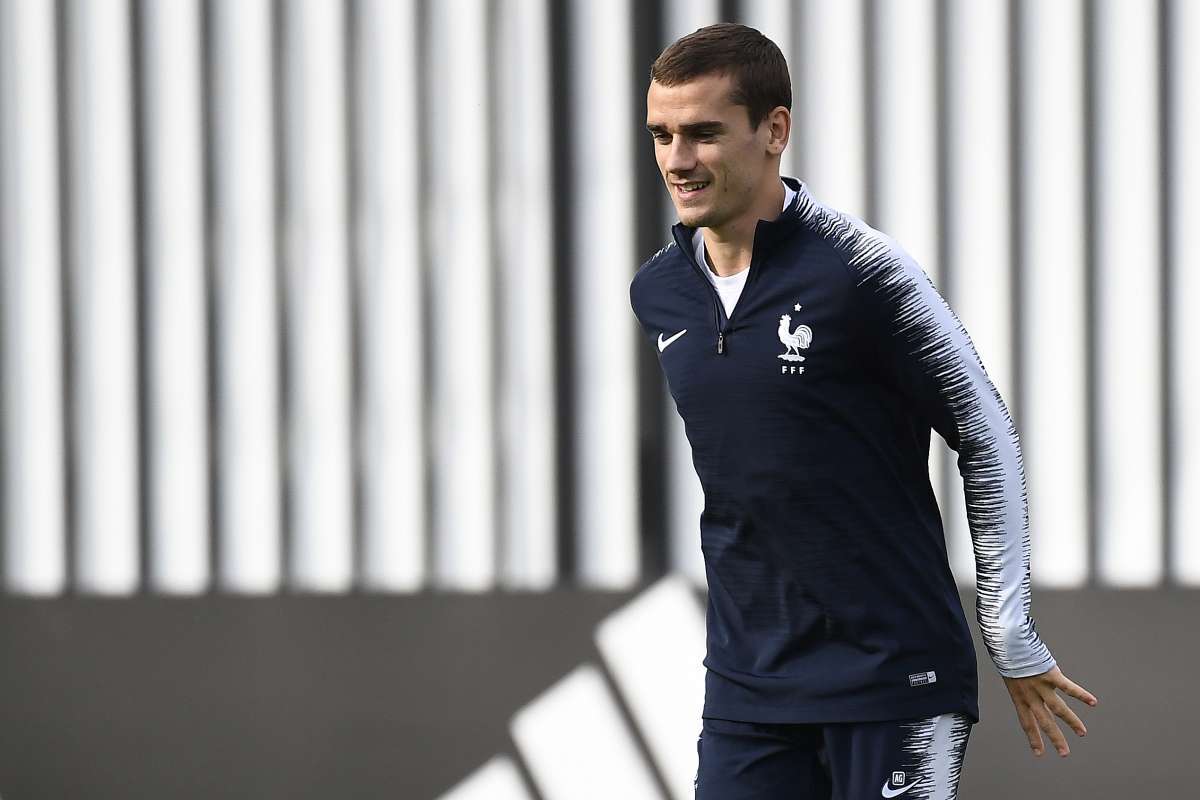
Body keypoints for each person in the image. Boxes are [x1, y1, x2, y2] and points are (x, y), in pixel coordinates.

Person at [628, 23, 1098, 799]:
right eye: (662, 135)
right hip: (749, 689)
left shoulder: (864, 271)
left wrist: (1010, 633)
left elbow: (985, 434)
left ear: (774, 129)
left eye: (704, 134)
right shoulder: (658, 291)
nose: (678, 160)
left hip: (895, 682)